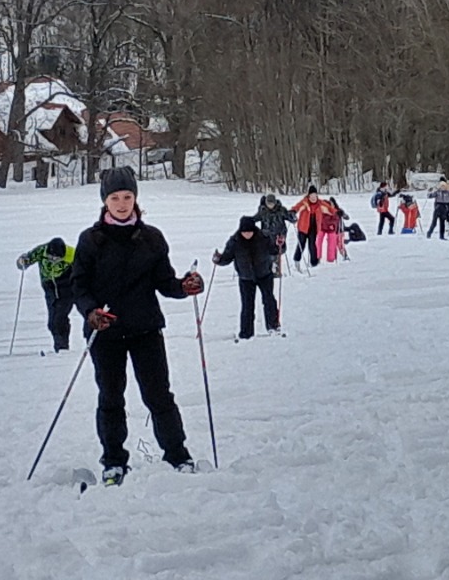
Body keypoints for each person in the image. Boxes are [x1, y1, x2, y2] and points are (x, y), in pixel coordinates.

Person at [71, 166, 205, 486]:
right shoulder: (90, 240)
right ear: (105, 201)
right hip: (105, 332)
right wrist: (90, 313)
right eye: (115, 198)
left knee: (159, 395)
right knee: (111, 397)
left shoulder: (151, 238)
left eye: (127, 197)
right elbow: (79, 286)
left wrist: (184, 286)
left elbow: (165, 283)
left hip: (145, 330)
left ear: (135, 198)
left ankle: (178, 455)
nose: (121, 203)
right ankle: (114, 462)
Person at [213, 216, 280, 339]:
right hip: (246, 278)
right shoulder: (234, 241)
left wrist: (280, 244)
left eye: (250, 232)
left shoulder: (264, 238)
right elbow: (227, 258)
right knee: (247, 305)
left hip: (264, 275)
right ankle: (246, 333)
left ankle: (273, 326)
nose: (247, 234)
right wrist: (218, 260)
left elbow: (275, 250)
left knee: (269, 300)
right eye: (244, 232)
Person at [17, 236, 76, 353]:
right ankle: (59, 346)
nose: (53, 260)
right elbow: (27, 259)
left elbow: (86, 267)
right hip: (49, 288)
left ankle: (62, 348)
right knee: (52, 322)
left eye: (57, 258)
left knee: (60, 319)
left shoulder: (72, 255)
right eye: (51, 257)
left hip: (67, 288)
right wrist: (22, 262)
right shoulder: (41, 251)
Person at [255, 193, 296, 275]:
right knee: (268, 253)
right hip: (266, 236)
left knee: (277, 252)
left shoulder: (281, 210)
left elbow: (289, 216)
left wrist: (292, 217)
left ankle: (276, 271)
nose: (270, 206)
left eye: (272, 204)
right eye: (268, 204)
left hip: (279, 235)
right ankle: (268, 271)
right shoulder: (263, 211)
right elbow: (255, 218)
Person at [290, 185, 328, 271]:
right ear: (309, 196)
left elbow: (330, 209)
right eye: (311, 195)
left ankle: (314, 263)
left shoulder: (320, 203)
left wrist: (338, 212)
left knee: (312, 245)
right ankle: (297, 261)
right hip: (303, 228)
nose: (313, 197)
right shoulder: (304, 202)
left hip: (313, 228)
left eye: (315, 195)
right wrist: (292, 212)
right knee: (301, 244)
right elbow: (296, 207)